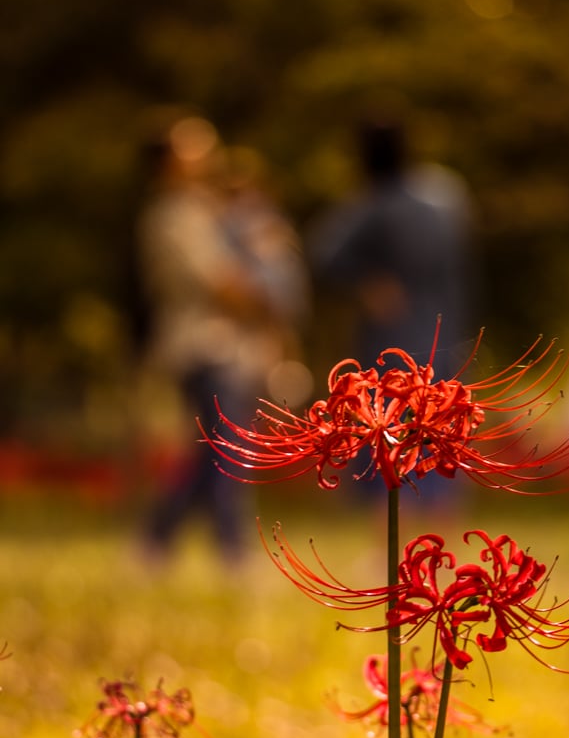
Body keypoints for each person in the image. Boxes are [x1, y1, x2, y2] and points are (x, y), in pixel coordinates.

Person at [132, 113, 308, 563]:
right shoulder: (174, 216)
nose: (207, 155)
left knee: (216, 451)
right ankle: (231, 552)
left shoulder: (209, 208)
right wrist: (274, 298)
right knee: (229, 450)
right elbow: (222, 285)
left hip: (228, 349)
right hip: (205, 347)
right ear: (168, 161)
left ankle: (156, 543)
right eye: (193, 148)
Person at [308, 110, 476, 375]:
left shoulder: (370, 203)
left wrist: (364, 281)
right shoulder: (448, 192)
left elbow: (322, 253)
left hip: (395, 339)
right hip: (448, 329)